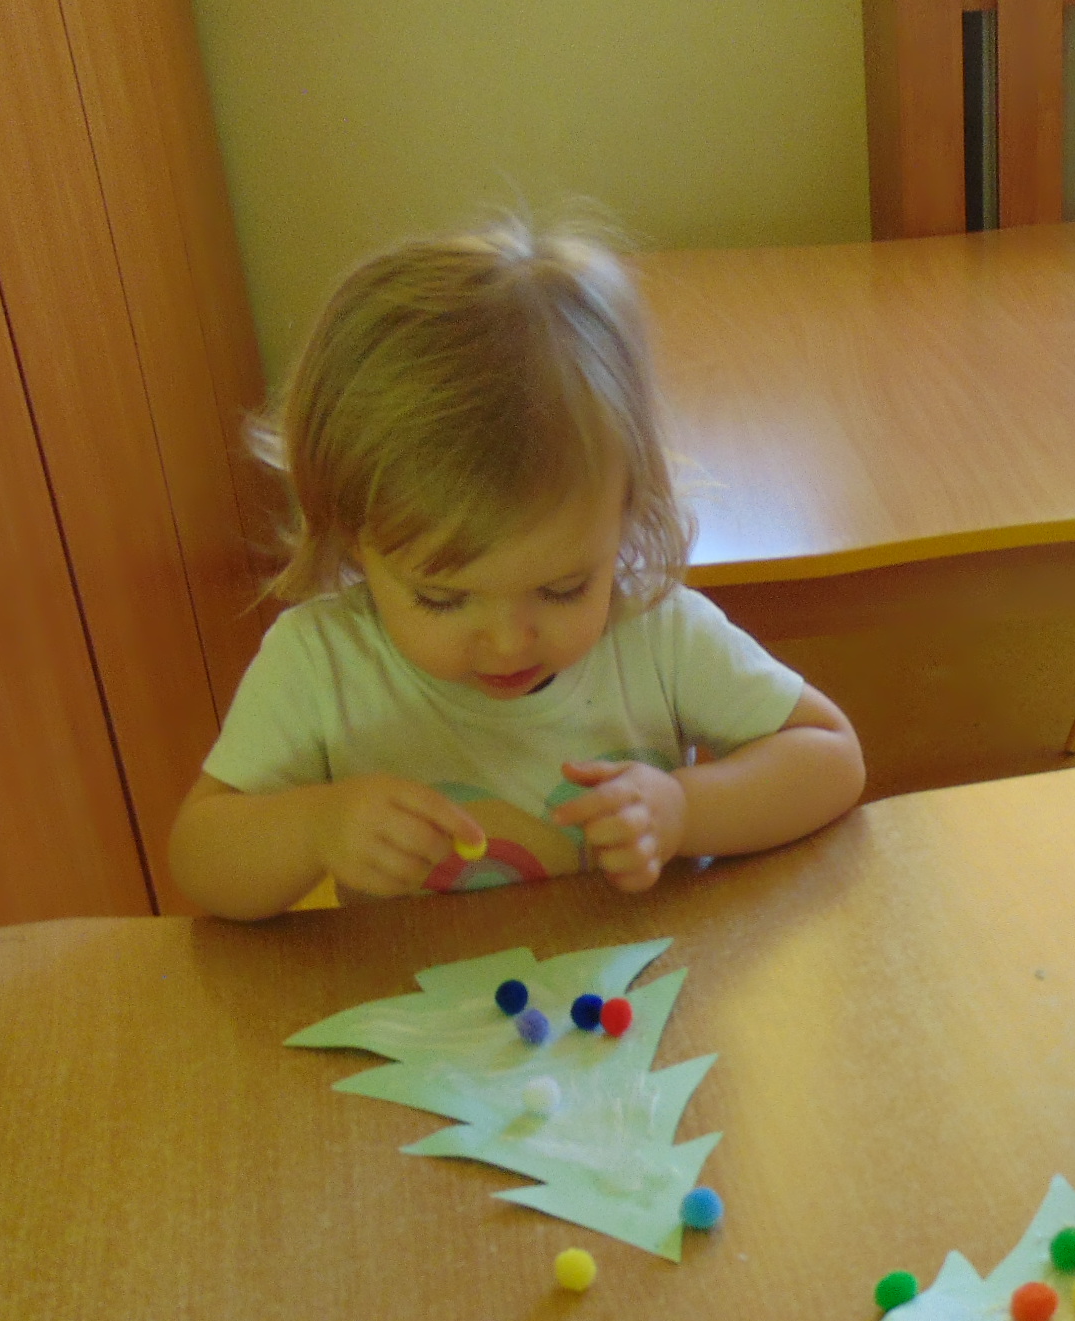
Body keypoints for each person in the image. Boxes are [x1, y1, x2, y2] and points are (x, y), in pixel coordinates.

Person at [169, 216, 864, 919]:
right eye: (443, 599)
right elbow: (201, 860)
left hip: (647, 979)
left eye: (563, 589)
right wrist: (314, 829)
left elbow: (830, 756)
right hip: (420, 989)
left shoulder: (656, 634)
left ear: (626, 514)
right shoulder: (321, 664)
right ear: (353, 538)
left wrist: (685, 810)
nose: (508, 643)